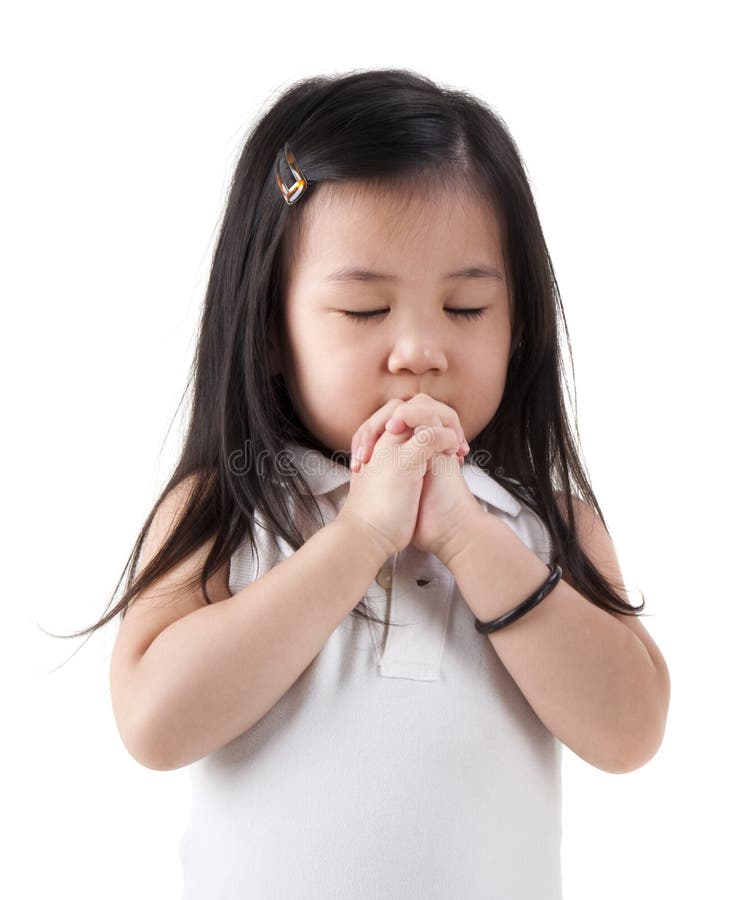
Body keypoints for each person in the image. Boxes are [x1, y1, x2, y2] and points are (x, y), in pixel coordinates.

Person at [71, 68, 670, 898]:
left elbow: (629, 730)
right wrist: (359, 538)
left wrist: (466, 534)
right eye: (362, 312)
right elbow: (155, 723)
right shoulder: (234, 506)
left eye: (466, 309)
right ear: (271, 327)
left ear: (519, 324)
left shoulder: (545, 527)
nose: (421, 349)